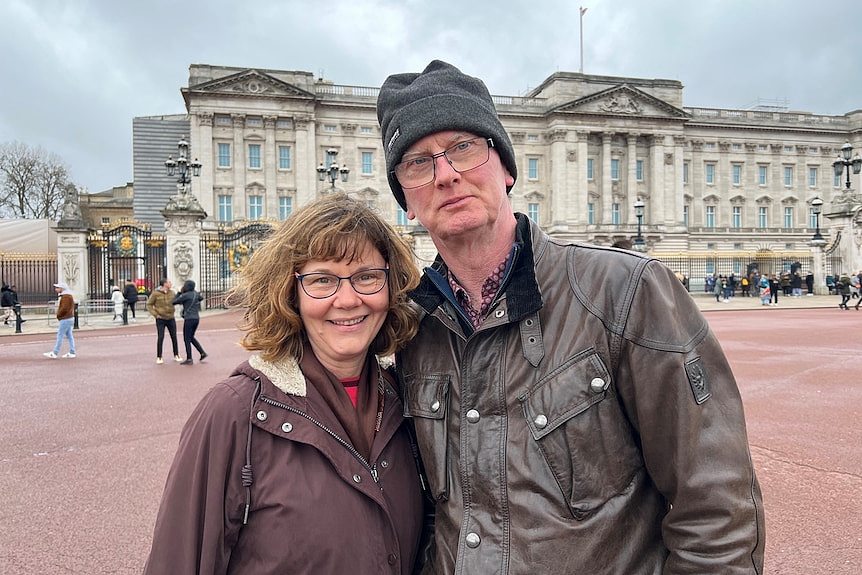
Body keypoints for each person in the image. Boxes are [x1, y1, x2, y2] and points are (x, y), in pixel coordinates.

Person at [376, 60, 764, 574]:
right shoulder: (412, 329)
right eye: (419, 163)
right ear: (405, 199)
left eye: (464, 148)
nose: (446, 175)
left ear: (507, 168)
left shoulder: (628, 291)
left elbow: (716, 507)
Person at [144, 194, 426, 574]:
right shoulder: (231, 412)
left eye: (366, 277)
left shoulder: (407, 399)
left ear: (390, 287)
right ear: (290, 293)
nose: (347, 299)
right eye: (322, 280)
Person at [172, 279, 207, 365]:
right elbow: (201, 298)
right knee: (191, 337)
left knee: (186, 339)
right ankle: (202, 352)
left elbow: (174, 302)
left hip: (189, 319)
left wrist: (179, 292)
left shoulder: (186, 295)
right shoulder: (195, 294)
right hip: (196, 318)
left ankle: (189, 358)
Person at [146, 278, 180, 364]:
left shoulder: (172, 292)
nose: (170, 283)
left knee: (174, 337)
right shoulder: (155, 293)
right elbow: (149, 304)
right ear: (165, 284)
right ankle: (159, 357)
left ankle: (176, 354)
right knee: (161, 337)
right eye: (169, 282)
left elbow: (177, 300)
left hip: (171, 317)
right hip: (161, 318)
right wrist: (155, 315)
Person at [44, 281, 76, 358]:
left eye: (57, 288)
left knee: (60, 335)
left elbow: (64, 308)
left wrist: (59, 315)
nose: (56, 289)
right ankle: (72, 351)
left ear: (62, 288)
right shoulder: (68, 296)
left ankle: (55, 352)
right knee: (69, 335)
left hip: (65, 318)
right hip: (70, 317)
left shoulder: (66, 297)